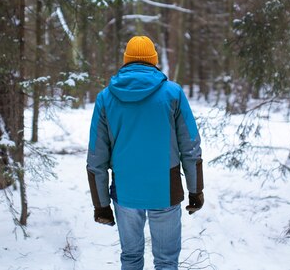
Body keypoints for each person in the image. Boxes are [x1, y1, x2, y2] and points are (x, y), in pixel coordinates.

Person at [86, 35, 204, 270]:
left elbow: (96, 157)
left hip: (125, 191)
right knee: (167, 261)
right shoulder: (172, 94)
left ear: (126, 60)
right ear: (154, 61)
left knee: (130, 258)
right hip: (165, 190)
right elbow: (190, 146)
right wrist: (195, 189)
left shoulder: (106, 98)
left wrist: (101, 205)